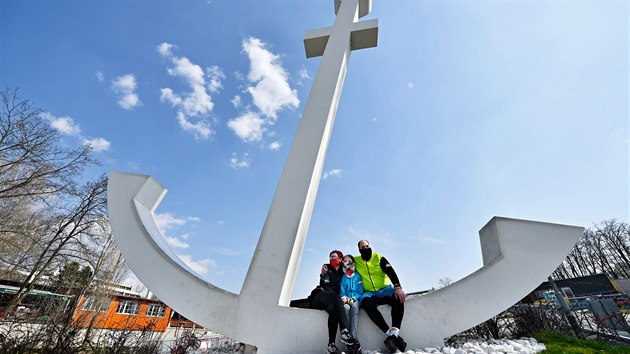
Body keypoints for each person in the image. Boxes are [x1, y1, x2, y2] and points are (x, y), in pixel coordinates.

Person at [354, 240, 407, 353]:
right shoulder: (356, 261)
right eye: (363, 247)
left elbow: (390, 271)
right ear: (359, 249)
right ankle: (392, 335)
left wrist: (397, 287)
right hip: (369, 292)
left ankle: (395, 333)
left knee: (398, 297)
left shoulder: (379, 258)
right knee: (366, 303)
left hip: (385, 289)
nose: (366, 248)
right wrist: (326, 267)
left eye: (367, 246)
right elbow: (343, 263)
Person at [309, 250, 362, 354]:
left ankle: (331, 345)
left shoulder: (343, 273)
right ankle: (344, 331)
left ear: (340, 259)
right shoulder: (327, 268)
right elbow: (325, 286)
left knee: (334, 310)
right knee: (337, 298)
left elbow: (351, 272)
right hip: (319, 295)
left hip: (331, 301)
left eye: (334, 256)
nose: (332, 258)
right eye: (330, 256)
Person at [340, 254, 363, 339]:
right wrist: (344, 298)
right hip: (346, 300)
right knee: (345, 308)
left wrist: (353, 299)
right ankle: (348, 337)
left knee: (354, 307)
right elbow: (342, 291)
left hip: (355, 299)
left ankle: (353, 337)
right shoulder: (343, 277)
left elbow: (360, 292)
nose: (347, 263)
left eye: (349, 261)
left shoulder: (358, 276)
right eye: (345, 261)